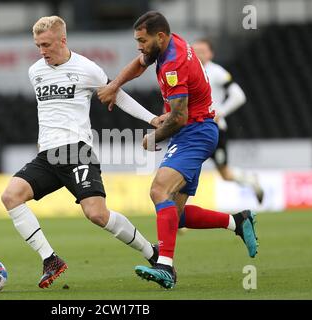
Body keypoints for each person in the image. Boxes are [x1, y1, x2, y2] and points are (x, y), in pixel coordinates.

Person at [98, 11, 258, 289]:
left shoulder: (173, 63)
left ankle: (165, 267)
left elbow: (179, 117)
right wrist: (115, 85)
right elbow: (140, 63)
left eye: (142, 40)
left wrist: (154, 137)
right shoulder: (170, 43)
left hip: (195, 132)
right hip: (195, 130)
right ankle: (238, 221)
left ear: (159, 36)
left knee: (158, 191)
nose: (139, 45)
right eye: (137, 40)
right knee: (176, 213)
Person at [1, 16, 163, 289]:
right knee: (11, 196)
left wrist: (150, 119)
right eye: (38, 45)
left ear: (62, 40)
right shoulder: (35, 71)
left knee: (97, 214)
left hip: (77, 152)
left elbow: (117, 94)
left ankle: (153, 253)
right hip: (48, 156)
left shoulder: (87, 68)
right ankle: (50, 259)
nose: (42, 51)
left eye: (47, 44)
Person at [192, 39, 264, 203]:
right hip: (194, 128)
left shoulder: (216, 71)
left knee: (224, 174)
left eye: (202, 51)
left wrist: (220, 112)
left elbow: (239, 95)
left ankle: (251, 180)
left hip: (214, 129)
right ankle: (178, 212)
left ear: (211, 54)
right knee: (188, 168)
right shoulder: (188, 72)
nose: (198, 54)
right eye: (195, 51)